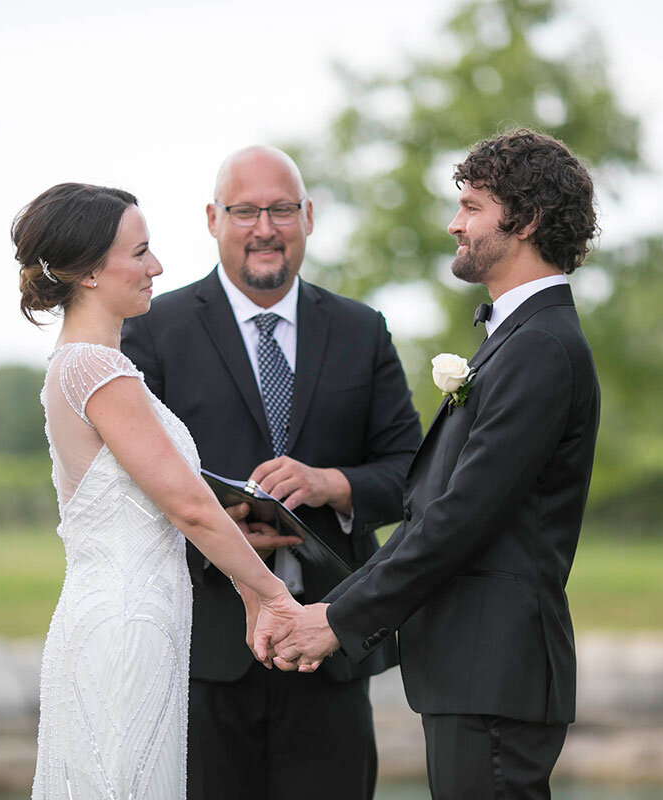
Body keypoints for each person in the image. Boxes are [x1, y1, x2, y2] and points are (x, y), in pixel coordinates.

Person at [272, 129, 602, 800]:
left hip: (494, 675)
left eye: (473, 205)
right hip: (472, 672)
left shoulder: (540, 348)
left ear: (527, 218)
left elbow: (458, 520)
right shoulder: (514, 342)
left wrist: (333, 620)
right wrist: (328, 609)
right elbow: (440, 513)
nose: (455, 223)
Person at [121, 146, 422, 800]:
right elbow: (125, 483)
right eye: (246, 211)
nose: (265, 228)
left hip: (330, 646)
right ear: (212, 218)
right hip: (204, 651)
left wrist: (330, 484)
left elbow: (412, 474)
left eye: (281, 209)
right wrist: (218, 526)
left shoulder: (361, 330)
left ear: (308, 216)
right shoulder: (154, 328)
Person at [12, 182, 303, 800]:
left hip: (138, 614)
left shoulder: (89, 363)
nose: (158, 267)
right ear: (89, 271)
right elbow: (189, 505)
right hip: (125, 622)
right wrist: (272, 595)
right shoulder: (98, 369)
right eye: (141, 252)